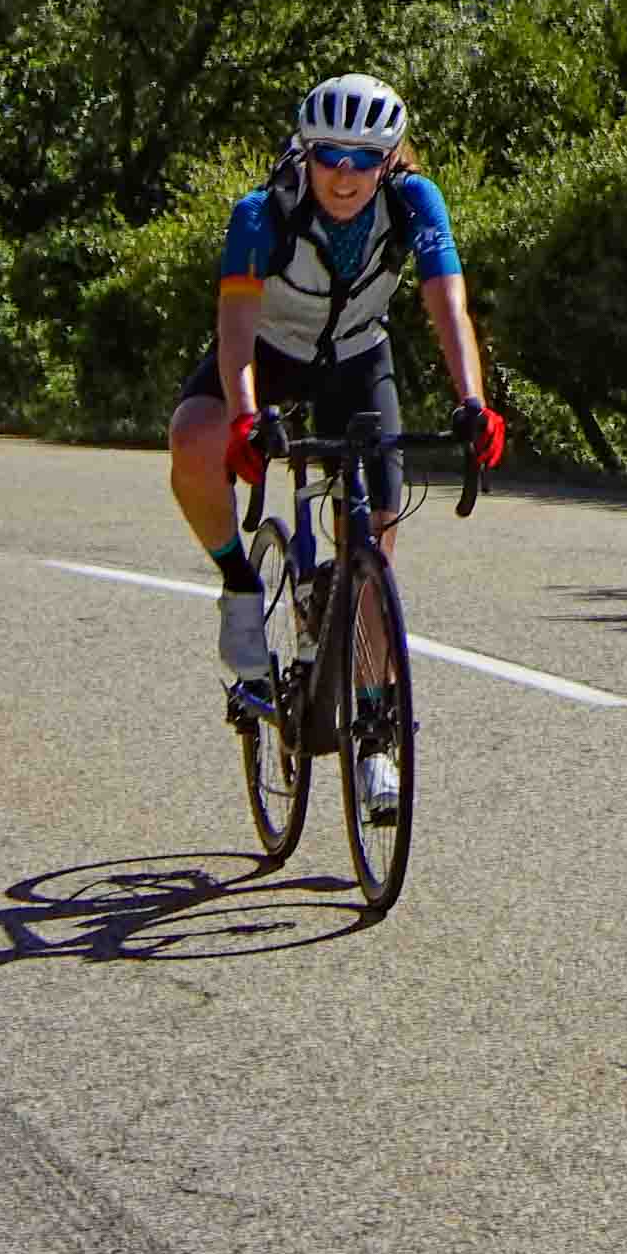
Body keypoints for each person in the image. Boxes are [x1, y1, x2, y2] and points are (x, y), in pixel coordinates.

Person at [170, 72, 505, 805]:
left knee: (377, 543)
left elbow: (447, 303)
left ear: (388, 159)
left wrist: (472, 402)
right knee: (192, 438)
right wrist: (247, 417)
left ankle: (376, 739)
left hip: (357, 358)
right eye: (329, 157)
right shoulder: (262, 213)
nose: (345, 176)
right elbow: (233, 332)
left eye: (363, 159)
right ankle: (236, 584)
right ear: (305, 151)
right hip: (269, 353)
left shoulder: (414, 201)